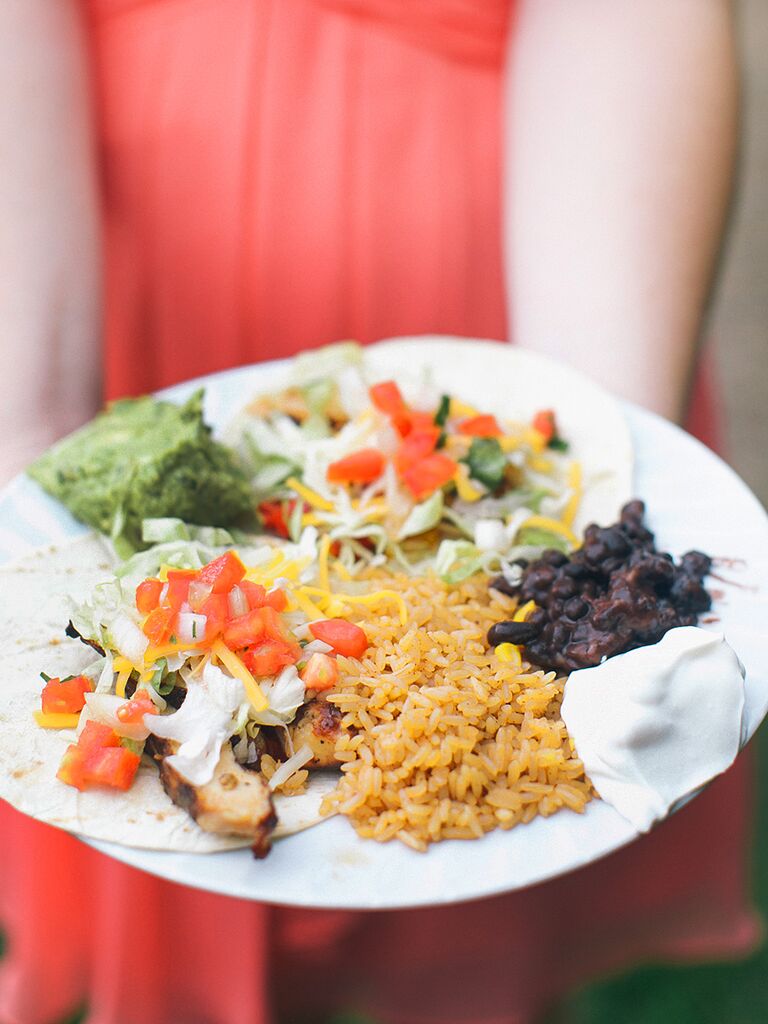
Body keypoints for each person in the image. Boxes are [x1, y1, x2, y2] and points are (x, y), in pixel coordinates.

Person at [0, 2, 757, 1023]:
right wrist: (28, 426)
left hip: (539, 239)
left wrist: (600, 487)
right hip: (100, 249)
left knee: (467, 882)